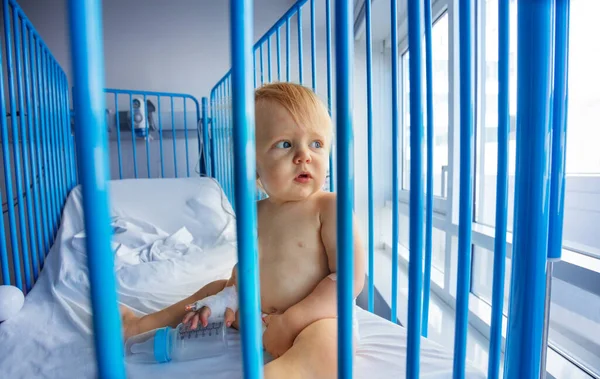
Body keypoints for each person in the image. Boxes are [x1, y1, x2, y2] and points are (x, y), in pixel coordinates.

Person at [121, 82, 365, 379]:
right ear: (254, 165)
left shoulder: (330, 207)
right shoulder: (255, 212)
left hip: (316, 317)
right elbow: (247, 271)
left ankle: (283, 372)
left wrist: (291, 321)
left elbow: (347, 279)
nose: (304, 156)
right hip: (257, 317)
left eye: (316, 144)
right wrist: (218, 303)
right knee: (213, 288)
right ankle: (138, 326)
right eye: (285, 144)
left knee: (331, 345)